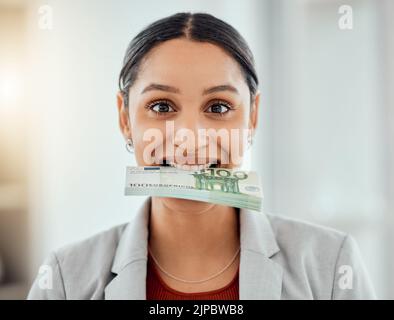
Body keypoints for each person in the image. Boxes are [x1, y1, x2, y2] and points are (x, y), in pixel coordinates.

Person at [27, 12, 376, 300]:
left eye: (219, 106)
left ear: (252, 117)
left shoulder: (332, 265)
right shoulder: (64, 280)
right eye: (161, 106)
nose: (190, 137)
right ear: (124, 118)